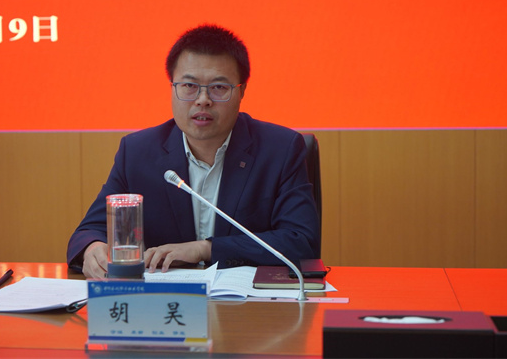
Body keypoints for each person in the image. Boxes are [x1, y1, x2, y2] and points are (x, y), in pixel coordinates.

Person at [67, 24, 320, 278]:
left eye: (218, 87)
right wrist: (92, 249)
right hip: (166, 300)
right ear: (172, 87)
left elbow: (301, 241)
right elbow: (90, 230)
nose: (203, 99)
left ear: (241, 91)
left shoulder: (280, 149)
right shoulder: (137, 152)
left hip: (249, 299)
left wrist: (205, 249)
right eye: (189, 85)